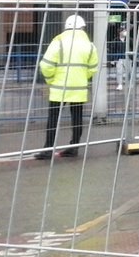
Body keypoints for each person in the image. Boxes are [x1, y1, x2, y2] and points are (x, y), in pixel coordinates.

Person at [36, 15, 100, 160]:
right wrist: (83, 77)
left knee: (53, 118)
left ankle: (48, 149)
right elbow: (92, 68)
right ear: (83, 27)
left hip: (59, 88)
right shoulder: (90, 46)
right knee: (77, 117)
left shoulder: (58, 42)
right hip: (79, 87)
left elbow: (45, 65)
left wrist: (51, 79)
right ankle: (74, 147)